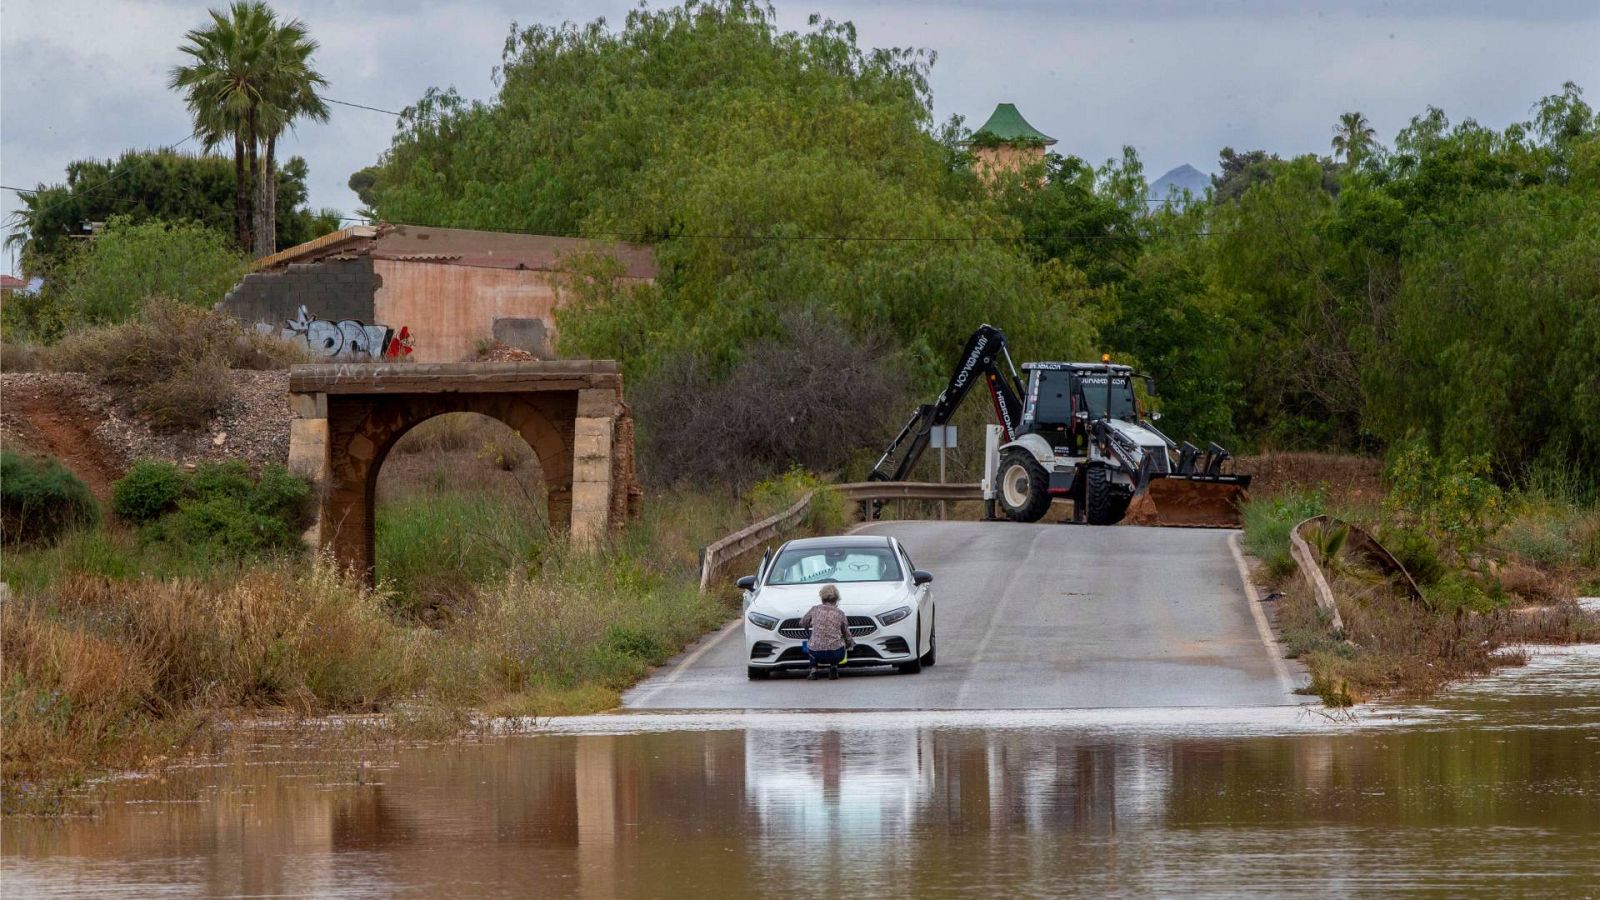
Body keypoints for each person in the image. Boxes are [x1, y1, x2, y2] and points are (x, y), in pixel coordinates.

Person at [801, 584, 854, 680]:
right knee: (840, 640)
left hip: (816, 652)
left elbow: (803, 622)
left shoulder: (814, 609)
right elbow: (847, 634)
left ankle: (814, 669)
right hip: (836, 653)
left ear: (822, 597)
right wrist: (849, 645)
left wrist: (808, 626)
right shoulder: (840, 613)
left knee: (810, 641)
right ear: (837, 599)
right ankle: (833, 666)